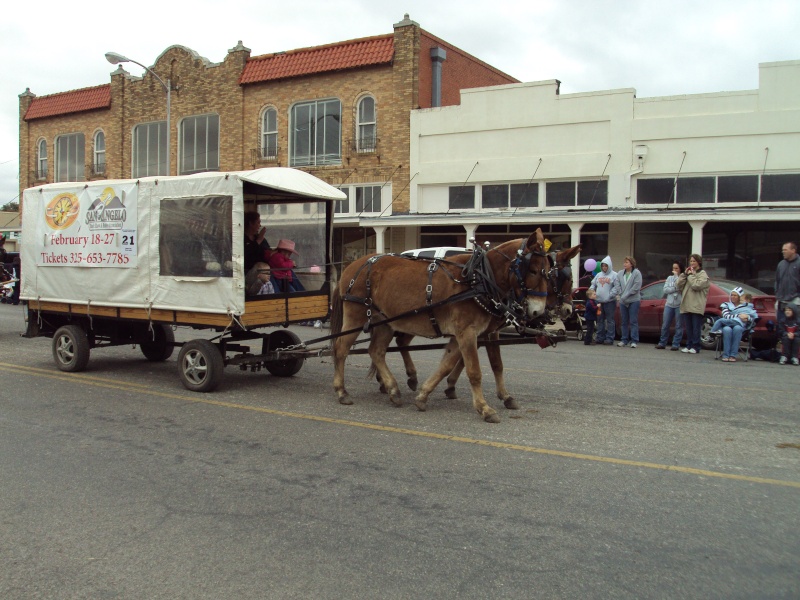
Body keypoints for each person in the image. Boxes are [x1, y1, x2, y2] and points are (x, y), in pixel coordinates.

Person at [710, 286, 758, 362]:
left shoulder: (745, 306)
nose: (732, 297)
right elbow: (726, 316)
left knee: (737, 328)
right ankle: (726, 354)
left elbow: (752, 317)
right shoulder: (726, 305)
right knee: (727, 329)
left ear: (739, 296)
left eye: (735, 295)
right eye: (731, 295)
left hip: (740, 326)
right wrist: (738, 316)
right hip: (727, 324)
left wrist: (747, 318)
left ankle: (733, 355)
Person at [677, 253, 710, 354]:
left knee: (696, 327)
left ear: (699, 262)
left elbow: (697, 285)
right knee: (688, 327)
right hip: (687, 304)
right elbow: (678, 285)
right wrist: (684, 274)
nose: (692, 263)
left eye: (694, 261)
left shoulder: (703, 274)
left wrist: (691, 275)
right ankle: (689, 344)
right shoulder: (689, 273)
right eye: (691, 261)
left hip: (696, 305)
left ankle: (696, 346)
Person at [589, 256, 620, 345]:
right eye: (603, 266)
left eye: (606, 266)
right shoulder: (599, 275)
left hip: (610, 302)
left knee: (610, 320)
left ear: (609, 266)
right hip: (599, 302)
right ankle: (600, 338)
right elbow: (593, 284)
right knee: (600, 320)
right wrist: (591, 292)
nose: (604, 268)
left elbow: (617, 287)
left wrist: (610, 295)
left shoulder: (614, 275)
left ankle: (609, 338)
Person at [656, 261, 684, 350]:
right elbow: (666, 290)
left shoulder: (683, 278)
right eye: (673, 268)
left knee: (678, 325)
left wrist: (677, 278)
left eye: (676, 268)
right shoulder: (669, 278)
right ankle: (662, 342)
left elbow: (681, 287)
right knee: (665, 325)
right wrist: (675, 288)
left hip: (679, 304)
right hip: (669, 304)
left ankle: (676, 344)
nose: (674, 270)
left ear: (680, 269)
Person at [617, 256, 642, 348]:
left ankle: (634, 340)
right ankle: (624, 340)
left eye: (627, 262)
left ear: (631, 264)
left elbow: (636, 287)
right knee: (624, 321)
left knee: (633, 321)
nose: (625, 264)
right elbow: (617, 284)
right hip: (623, 301)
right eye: (624, 262)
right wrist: (620, 293)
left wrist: (625, 295)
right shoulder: (620, 273)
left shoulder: (636, 273)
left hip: (633, 300)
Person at [775, 241, 800, 325]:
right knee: (781, 326)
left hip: (796, 301)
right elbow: (777, 281)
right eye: (782, 250)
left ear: (793, 250)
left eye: (785, 250)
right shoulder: (781, 264)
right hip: (781, 301)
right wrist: (777, 293)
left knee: (796, 327)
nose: (783, 252)